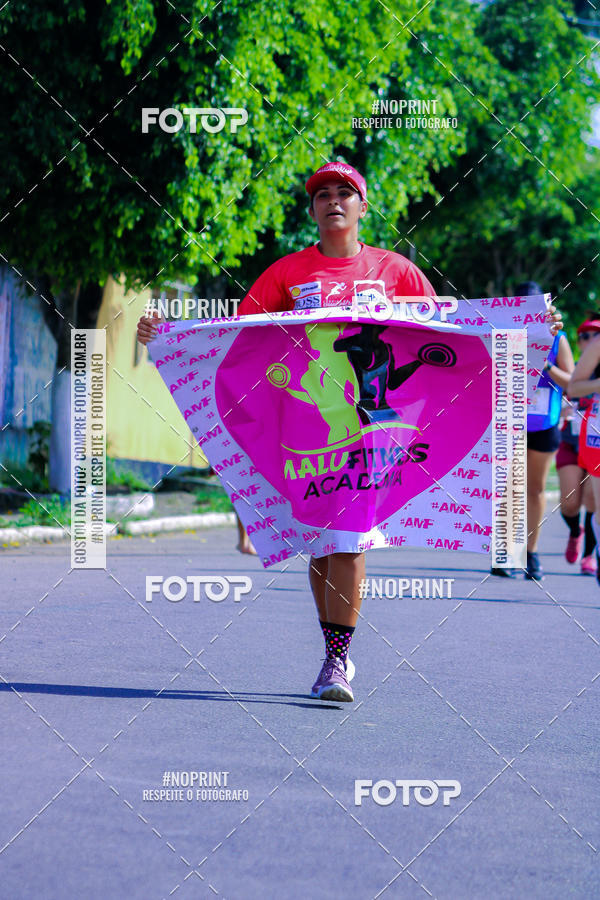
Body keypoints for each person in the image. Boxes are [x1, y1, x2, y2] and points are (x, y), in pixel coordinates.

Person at [137, 162, 563, 701]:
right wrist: (170, 334)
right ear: (312, 210)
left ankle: (336, 662)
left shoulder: (397, 271)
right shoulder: (285, 274)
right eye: (323, 195)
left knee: (348, 535)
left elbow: (450, 333)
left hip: (374, 436)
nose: (333, 201)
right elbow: (235, 340)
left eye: (345, 193)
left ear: (363, 206)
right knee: (322, 545)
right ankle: (332, 648)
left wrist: (527, 325)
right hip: (308, 434)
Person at [492, 281, 574, 581]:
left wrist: (545, 365)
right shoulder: (504, 334)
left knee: (535, 489)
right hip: (510, 422)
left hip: (544, 422)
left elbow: (572, 382)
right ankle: (504, 553)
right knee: (508, 489)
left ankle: (531, 553)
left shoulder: (557, 338)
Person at [556, 319, 600, 574]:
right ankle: (578, 534)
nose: (589, 339)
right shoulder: (585, 356)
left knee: (592, 499)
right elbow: (572, 386)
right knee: (572, 503)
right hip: (578, 439)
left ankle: (589, 556)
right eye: (586, 336)